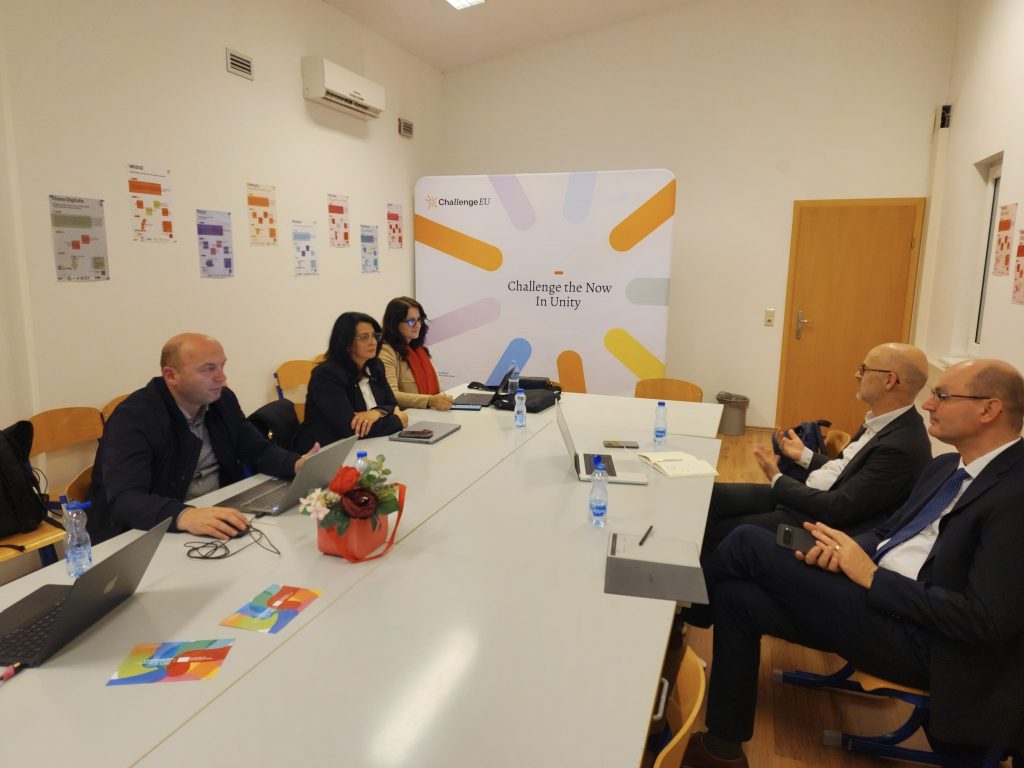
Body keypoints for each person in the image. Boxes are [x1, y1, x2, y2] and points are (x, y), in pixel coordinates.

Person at [682, 359, 1024, 768]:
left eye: (943, 396)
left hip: (924, 641)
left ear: (989, 409)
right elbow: (887, 532)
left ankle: (679, 613)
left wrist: (872, 577)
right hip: (876, 596)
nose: (929, 405)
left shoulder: (1015, 496)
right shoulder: (947, 467)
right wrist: (841, 551)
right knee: (737, 596)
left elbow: (982, 621)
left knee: (748, 541)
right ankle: (722, 749)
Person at [701, 343, 932, 554]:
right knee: (712, 496)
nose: (856, 375)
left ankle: (701, 589)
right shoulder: (882, 420)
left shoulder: (901, 447)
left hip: (818, 521)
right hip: (809, 498)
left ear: (889, 380)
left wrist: (777, 478)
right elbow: (847, 469)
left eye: (864, 369)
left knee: (722, 530)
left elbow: (839, 509)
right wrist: (804, 455)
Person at [89, 333, 318, 542]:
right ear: (171, 375)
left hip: (216, 516)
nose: (221, 377)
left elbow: (255, 448)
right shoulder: (134, 417)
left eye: (222, 366)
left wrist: (295, 464)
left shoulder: (222, 401)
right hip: (157, 530)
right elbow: (125, 500)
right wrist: (185, 515)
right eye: (208, 369)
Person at [296, 312, 408, 452]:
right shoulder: (327, 375)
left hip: (371, 444)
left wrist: (377, 412)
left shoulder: (375, 366)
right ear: (346, 343)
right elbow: (352, 429)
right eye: (364, 337)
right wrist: (397, 420)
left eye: (374, 335)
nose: (373, 342)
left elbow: (392, 403)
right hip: (328, 453)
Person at [378, 296, 453, 411]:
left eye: (419, 319)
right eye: (411, 320)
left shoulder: (419, 350)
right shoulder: (386, 351)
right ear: (395, 323)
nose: (417, 325)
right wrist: (430, 400)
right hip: (408, 420)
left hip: (430, 414)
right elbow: (391, 395)